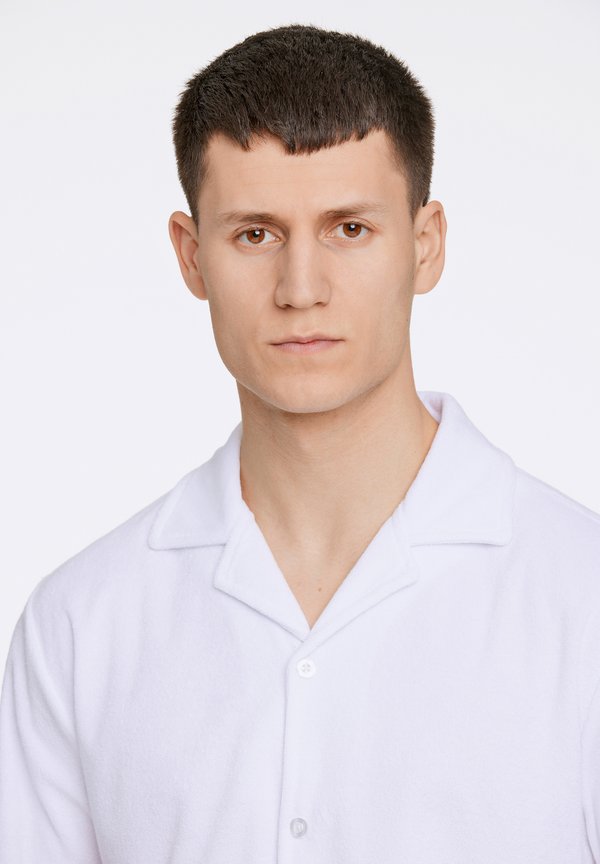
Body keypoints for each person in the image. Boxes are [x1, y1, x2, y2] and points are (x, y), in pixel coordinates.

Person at [0, 22, 599, 864]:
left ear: (425, 245)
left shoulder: (581, 602)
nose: (301, 288)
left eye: (349, 229)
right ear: (191, 256)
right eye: (256, 234)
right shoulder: (80, 626)